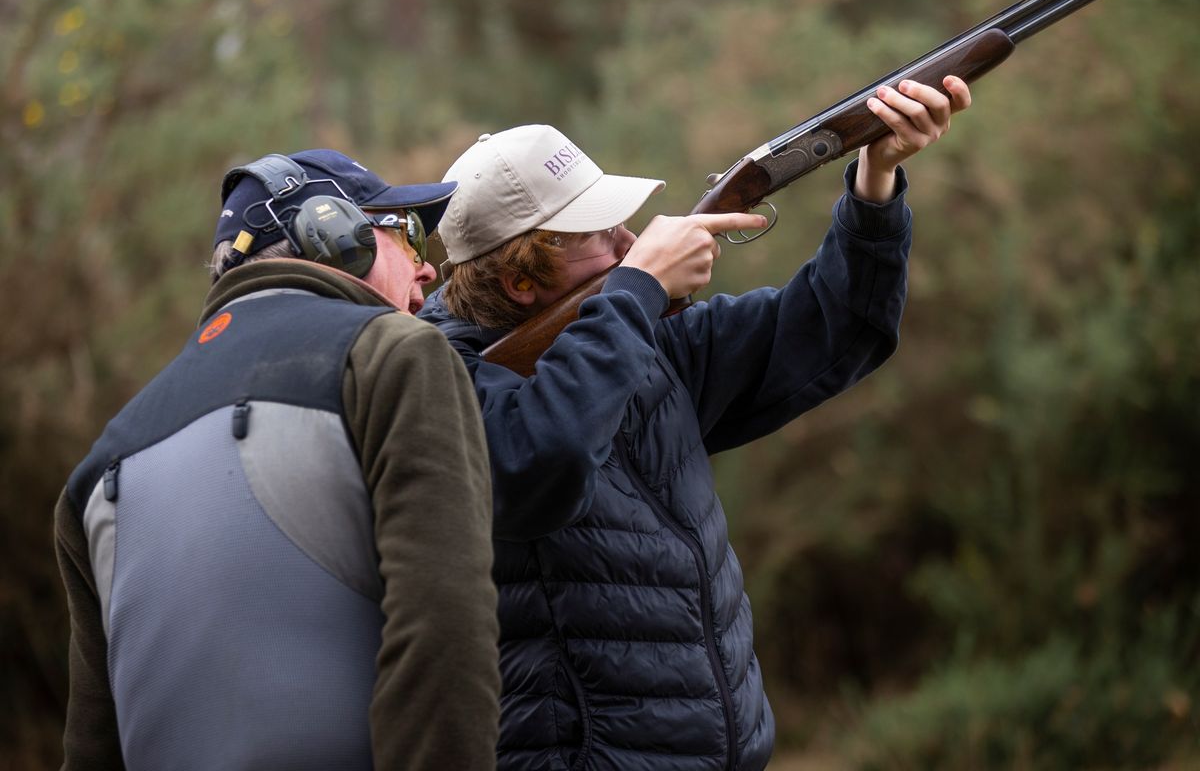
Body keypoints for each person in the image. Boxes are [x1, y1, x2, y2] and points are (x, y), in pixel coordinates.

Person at [419, 76, 973, 770]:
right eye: (599, 234)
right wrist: (639, 289)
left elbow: (838, 329)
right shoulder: (437, 378)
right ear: (522, 280)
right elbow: (538, 463)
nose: (631, 241)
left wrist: (875, 181)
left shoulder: (636, 335)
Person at [54, 149, 501, 770]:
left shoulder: (102, 465)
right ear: (336, 235)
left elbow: (90, 747)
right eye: (409, 234)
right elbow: (444, 635)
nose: (429, 272)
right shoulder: (394, 355)